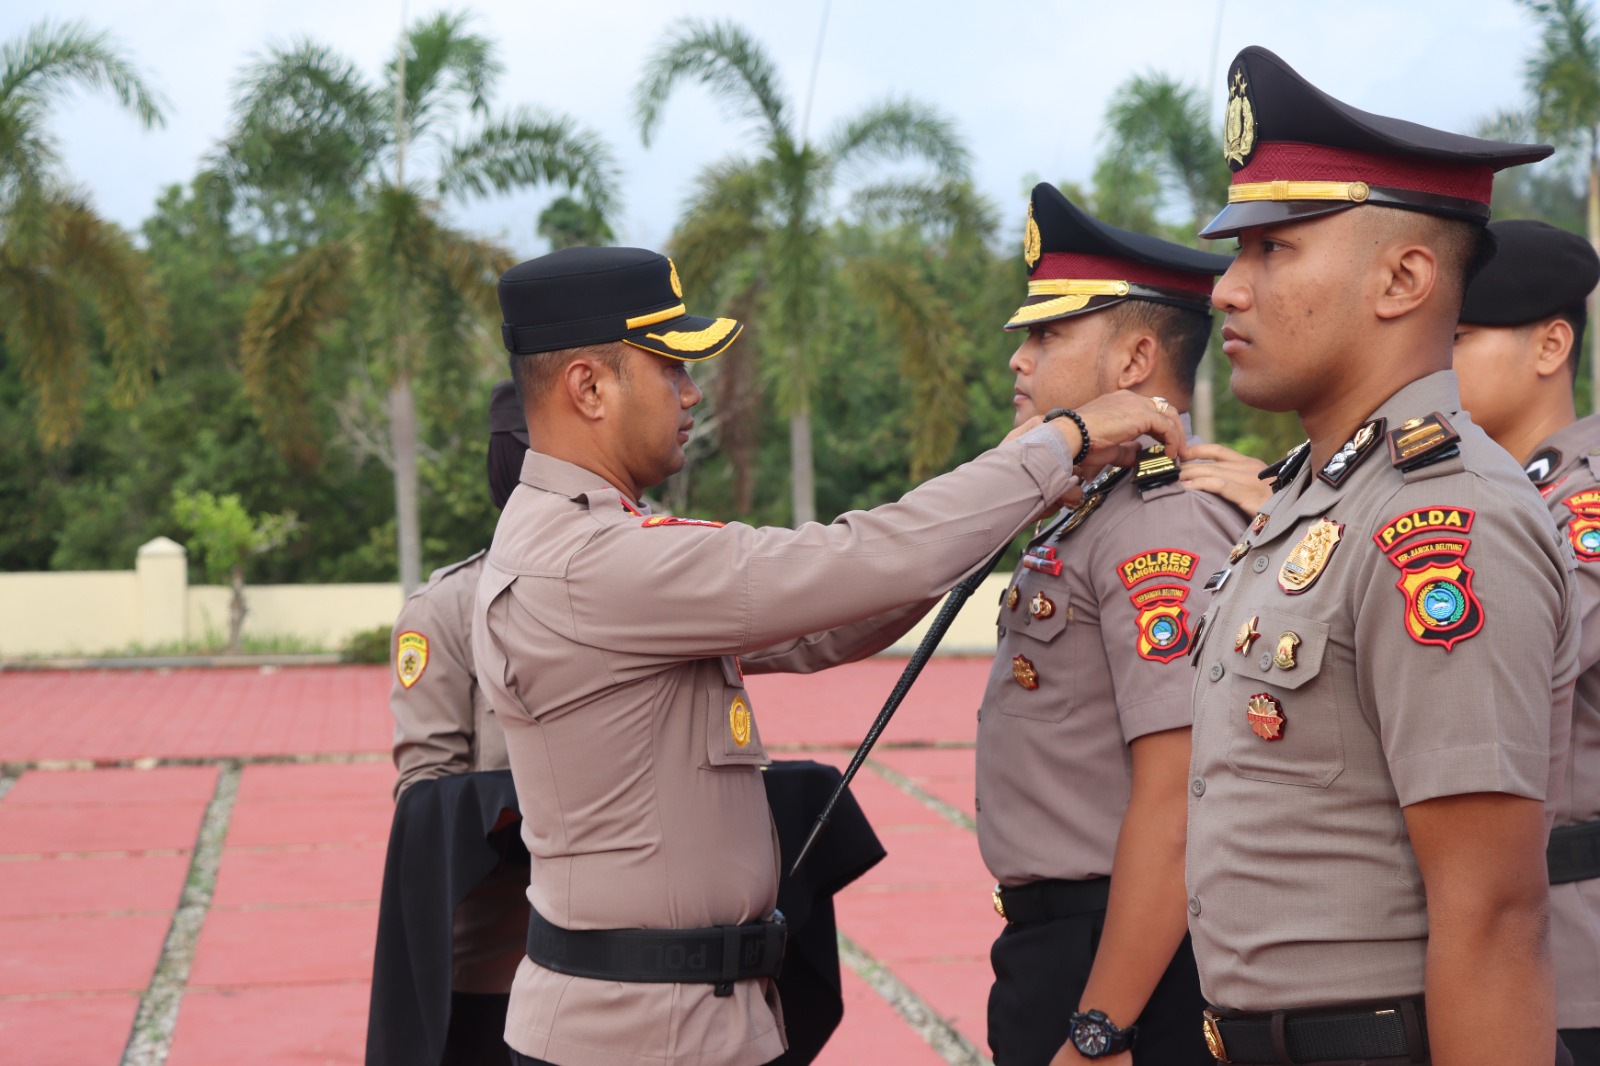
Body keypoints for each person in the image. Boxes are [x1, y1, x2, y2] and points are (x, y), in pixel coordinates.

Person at [471, 244, 1190, 1066]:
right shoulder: (593, 560)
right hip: (640, 1033)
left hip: (681, 1012)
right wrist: (1061, 440)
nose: (691, 392)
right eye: (669, 368)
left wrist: (1010, 503)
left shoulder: (589, 542)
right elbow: (855, 561)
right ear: (589, 388)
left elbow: (827, 624)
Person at [1185, 46, 1577, 1066]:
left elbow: (1493, 917)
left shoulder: (1443, 519)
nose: (1227, 290)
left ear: (1403, 278)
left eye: (1272, 249)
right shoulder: (1317, 498)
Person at [977, 183, 1240, 1066]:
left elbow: (1176, 800)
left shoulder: (1161, 519)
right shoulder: (1086, 510)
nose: (1018, 359)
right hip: (1063, 945)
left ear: (1134, 359)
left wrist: (1101, 1028)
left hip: (1125, 962)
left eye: (1048, 335)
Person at [1450, 219, 1600, 1066]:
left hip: (1574, 955)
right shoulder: (1490, 498)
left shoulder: (1583, 506)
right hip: (1494, 944)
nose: (1434, 365)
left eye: (1459, 339)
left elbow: (1508, 652)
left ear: (1550, 346)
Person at [387, 378, 531, 1064]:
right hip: (505, 968)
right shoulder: (448, 609)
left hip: (649, 963)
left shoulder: (657, 582)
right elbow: (426, 797)